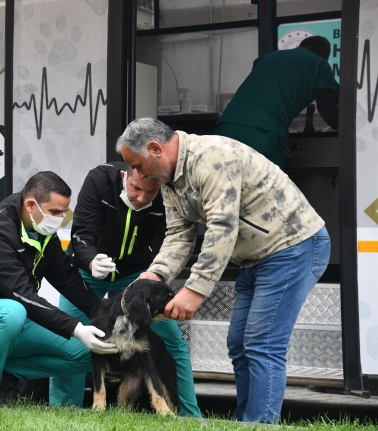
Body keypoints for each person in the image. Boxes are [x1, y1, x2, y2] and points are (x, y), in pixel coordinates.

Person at [117, 118, 330, 424]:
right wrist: (157, 274)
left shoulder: (212, 157)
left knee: (261, 343)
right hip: (255, 258)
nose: (138, 175)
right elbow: (179, 233)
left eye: (138, 165)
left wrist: (194, 290)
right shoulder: (170, 180)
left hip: (293, 247)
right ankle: (247, 420)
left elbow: (222, 226)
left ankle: (259, 425)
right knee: (240, 343)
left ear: (155, 149)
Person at [0, 171, 119, 406]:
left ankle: (8, 372)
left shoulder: (44, 232)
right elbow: (22, 295)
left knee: (91, 353)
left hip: (17, 320)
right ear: (31, 205)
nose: (61, 218)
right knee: (11, 311)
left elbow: (69, 280)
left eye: (65, 211)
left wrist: (106, 317)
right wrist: (76, 328)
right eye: (55, 212)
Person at [48, 161, 202, 417]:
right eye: (135, 188)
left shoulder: (168, 195)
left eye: (151, 192)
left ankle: (190, 415)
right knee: (68, 337)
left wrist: (151, 275)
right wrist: (90, 260)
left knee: (172, 340)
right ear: (124, 176)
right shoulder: (99, 180)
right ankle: (65, 411)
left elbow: (167, 242)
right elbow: (81, 233)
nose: (141, 198)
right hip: (90, 269)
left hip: (138, 276)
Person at [215, 35, 339, 171]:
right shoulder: (319, 64)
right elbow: (328, 109)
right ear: (324, 56)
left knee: (228, 188)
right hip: (263, 134)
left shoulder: (266, 58)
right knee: (271, 190)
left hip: (225, 128)